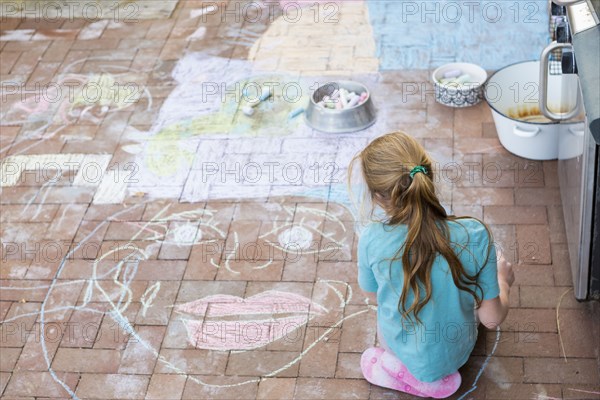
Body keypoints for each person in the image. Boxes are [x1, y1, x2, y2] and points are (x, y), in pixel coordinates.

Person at [349, 132, 515, 399]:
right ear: (428, 175)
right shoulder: (474, 234)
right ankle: (434, 378)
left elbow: (372, 296)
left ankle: (399, 369)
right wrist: (503, 281)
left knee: (390, 320)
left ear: (378, 197)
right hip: (455, 353)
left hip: (397, 345)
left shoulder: (372, 238)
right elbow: (491, 319)